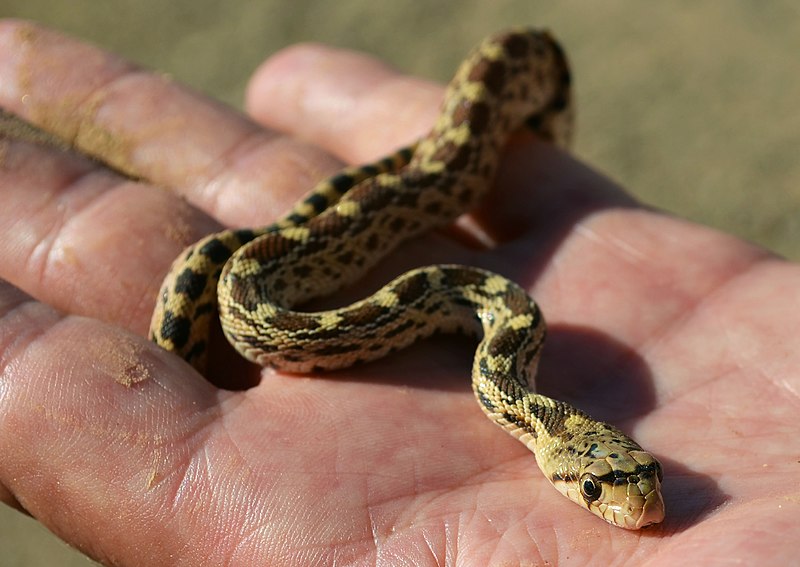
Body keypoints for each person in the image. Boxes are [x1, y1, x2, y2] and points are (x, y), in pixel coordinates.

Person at [0, 19, 797, 566]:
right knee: (235, 269)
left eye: (633, 481)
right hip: (288, 290)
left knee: (244, 256)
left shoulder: (512, 356)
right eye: (603, 488)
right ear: (571, 457)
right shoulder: (509, 341)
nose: (638, 504)